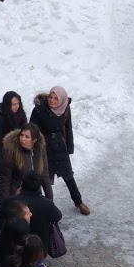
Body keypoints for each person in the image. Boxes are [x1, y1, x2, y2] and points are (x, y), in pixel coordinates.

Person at [30, 86, 90, 215]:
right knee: (45, 177)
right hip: (44, 146)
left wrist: (69, 147)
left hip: (59, 146)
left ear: (61, 100)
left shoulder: (65, 109)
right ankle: (45, 205)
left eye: (56, 99)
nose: (52, 101)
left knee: (68, 175)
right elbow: (32, 128)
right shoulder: (40, 110)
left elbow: (68, 128)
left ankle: (78, 201)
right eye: (50, 97)